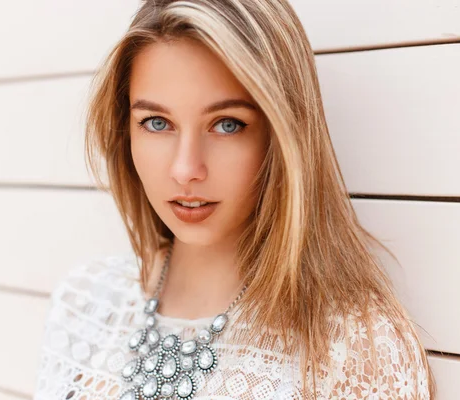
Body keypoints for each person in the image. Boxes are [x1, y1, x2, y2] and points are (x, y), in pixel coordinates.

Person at [33, 0, 436, 399]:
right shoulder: (86, 304)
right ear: (126, 132)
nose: (186, 168)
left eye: (227, 125)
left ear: (283, 137)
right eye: (157, 123)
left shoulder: (351, 346)